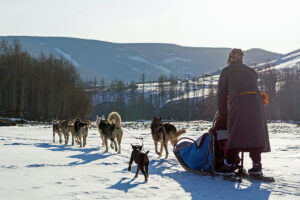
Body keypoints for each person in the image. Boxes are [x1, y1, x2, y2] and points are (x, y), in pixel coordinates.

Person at [217, 49, 271, 175]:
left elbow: (222, 94)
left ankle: (230, 164)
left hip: (239, 102)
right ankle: (256, 165)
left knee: (236, 132)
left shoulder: (226, 71)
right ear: (241, 59)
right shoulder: (251, 71)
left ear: (230, 59)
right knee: (255, 133)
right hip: (257, 104)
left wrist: (223, 113)